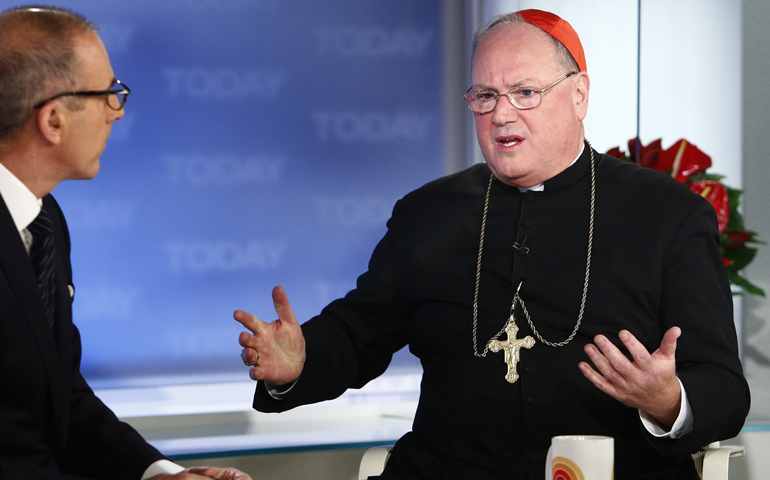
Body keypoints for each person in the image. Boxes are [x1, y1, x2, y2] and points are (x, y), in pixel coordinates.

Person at [234, 9, 749, 479]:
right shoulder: (428, 211)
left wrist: (667, 399)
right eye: (484, 96)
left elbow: (724, 388)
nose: (501, 115)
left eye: (525, 92)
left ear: (579, 95)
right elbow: (360, 332)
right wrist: (299, 364)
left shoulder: (669, 214)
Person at [0, 6, 252, 480]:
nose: (116, 112)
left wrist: (159, 473)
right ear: (53, 120)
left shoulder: (45, 218)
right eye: (108, 95)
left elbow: (62, 398)